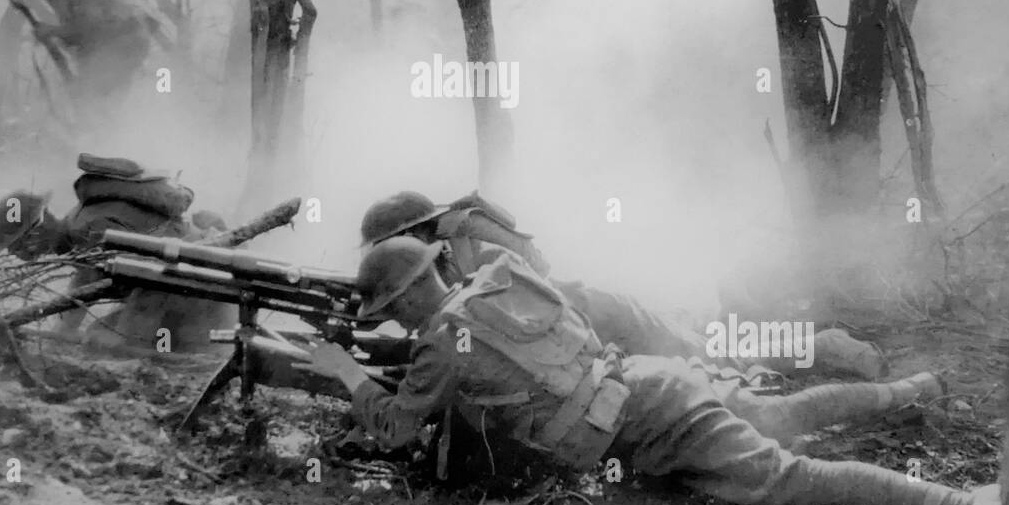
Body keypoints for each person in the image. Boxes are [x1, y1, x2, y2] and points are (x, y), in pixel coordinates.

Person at [298, 237, 999, 505]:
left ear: (409, 298)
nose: (390, 321)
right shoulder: (493, 278)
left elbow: (395, 429)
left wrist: (343, 373)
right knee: (783, 413)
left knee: (785, 477)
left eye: (389, 310)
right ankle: (913, 390)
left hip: (651, 418)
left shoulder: (441, 342)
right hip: (648, 378)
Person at [357, 190, 878, 380]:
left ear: (415, 235)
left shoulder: (478, 249)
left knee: (719, 357)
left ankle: (826, 347)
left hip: (600, 319)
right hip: (590, 336)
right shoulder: (445, 262)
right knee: (709, 354)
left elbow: (537, 314)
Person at [0, 155, 231, 350]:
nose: (17, 256)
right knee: (99, 338)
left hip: (205, 291)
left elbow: (151, 277)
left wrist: (126, 337)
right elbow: (83, 284)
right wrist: (61, 332)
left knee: (109, 346)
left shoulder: (88, 229)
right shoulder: (78, 232)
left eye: (17, 247)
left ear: (34, 233)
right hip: (189, 289)